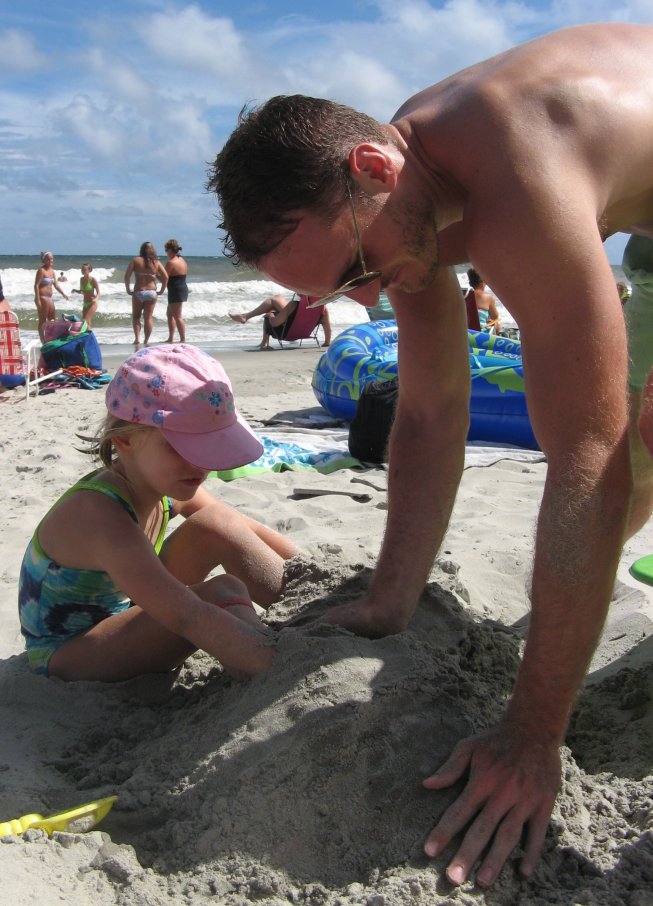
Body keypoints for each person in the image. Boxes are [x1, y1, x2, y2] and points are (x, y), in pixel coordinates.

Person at [207, 24, 653, 888]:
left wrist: (530, 739)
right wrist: (387, 598)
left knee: (609, 451)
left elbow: (580, 463)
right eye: (339, 292)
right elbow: (430, 409)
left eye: (359, 266)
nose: (368, 296)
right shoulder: (405, 180)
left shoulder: (512, 169)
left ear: (374, 169)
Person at [18, 343, 298, 682]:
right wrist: (277, 664)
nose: (200, 463)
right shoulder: (98, 513)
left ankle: (316, 602)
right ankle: (272, 668)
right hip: (69, 650)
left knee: (217, 521)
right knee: (224, 592)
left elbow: (236, 526)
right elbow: (186, 616)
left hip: (128, 608)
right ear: (125, 441)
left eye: (208, 446)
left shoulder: (160, 479)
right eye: (183, 448)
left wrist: (308, 568)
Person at [230, 294, 331, 350]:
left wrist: (271, 315)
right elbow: (327, 328)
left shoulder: (293, 305)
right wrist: (326, 343)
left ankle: (246, 318)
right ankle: (245, 317)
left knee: (271, 308)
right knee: (277, 299)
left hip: (285, 334)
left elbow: (275, 323)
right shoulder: (323, 309)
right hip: (303, 333)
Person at [124, 242, 168, 346]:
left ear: (141, 249)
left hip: (139, 291)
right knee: (148, 317)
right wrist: (161, 290)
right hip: (152, 292)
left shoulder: (135, 260)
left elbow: (127, 276)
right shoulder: (156, 262)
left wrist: (128, 289)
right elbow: (165, 277)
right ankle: (146, 340)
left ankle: (137, 339)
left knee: (136, 317)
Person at [34, 251, 68, 340]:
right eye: (48, 259)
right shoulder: (41, 270)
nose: (51, 260)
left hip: (50, 298)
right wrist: (37, 299)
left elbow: (56, 285)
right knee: (42, 320)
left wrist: (63, 294)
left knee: (52, 321)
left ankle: (50, 338)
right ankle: (43, 340)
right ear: (44, 260)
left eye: (52, 258)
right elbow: (36, 285)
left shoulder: (52, 271)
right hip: (42, 298)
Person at [164, 239, 188, 343]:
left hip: (175, 290)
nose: (166, 253)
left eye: (166, 250)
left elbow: (164, 278)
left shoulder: (171, 262)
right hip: (181, 287)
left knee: (177, 316)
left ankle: (183, 339)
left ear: (170, 250)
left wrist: (154, 274)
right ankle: (171, 337)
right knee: (169, 314)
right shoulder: (181, 259)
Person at [465, 268, 501, 333]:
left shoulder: (465, 295)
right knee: (496, 323)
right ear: (482, 281)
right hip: (481, 334)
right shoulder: (488, 297)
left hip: (465, 332)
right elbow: (495, 317)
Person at [72, 263, 100, 329]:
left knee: (86, 321)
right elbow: (82, 291)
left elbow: (98, 292)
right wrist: (75, 290)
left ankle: (88, 336)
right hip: (85, 304)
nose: (82, 271)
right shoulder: (81, 279)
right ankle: (88, 336)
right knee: (86, 322)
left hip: (92, 303)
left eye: (84, 269)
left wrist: (96, 299)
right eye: (82, 269)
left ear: (89, 270)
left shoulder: (93, 280)